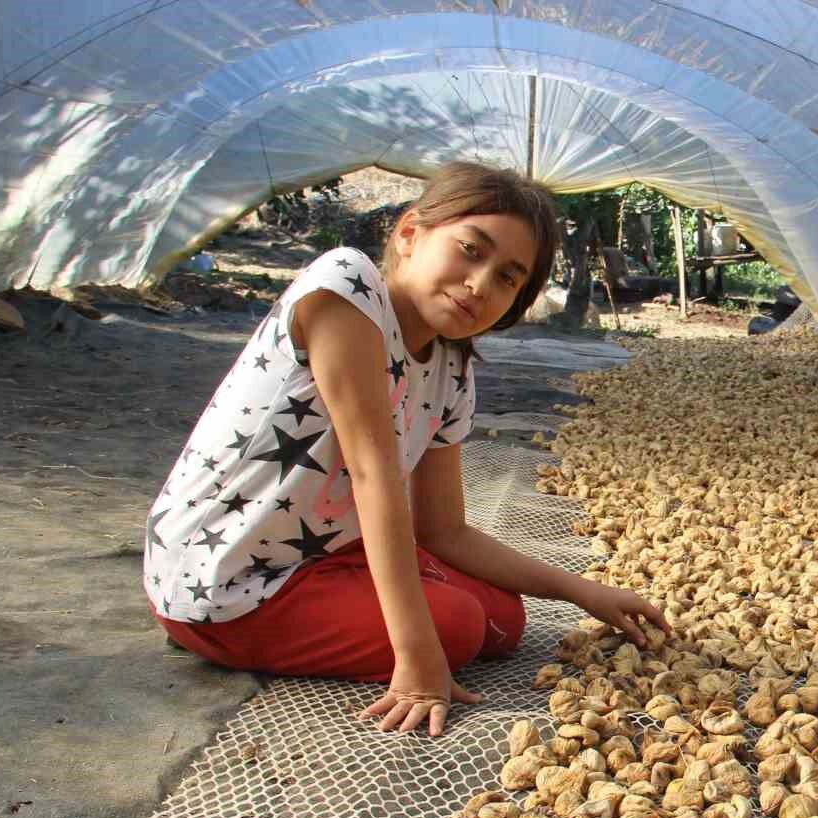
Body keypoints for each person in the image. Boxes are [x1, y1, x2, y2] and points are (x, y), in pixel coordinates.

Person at [145, 162, 668, 736]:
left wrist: (583, 592)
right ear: (410, 233)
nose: (479, 284)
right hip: (226, 579)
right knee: (456, 627)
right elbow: (373, 474)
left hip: (322, 551)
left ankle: (391, 613)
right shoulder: (346, 288)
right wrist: (417, 660)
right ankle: (226, 634)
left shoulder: (451, 367)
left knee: (503, 618)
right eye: (470, 250)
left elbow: (444, 532)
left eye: (506, 278)